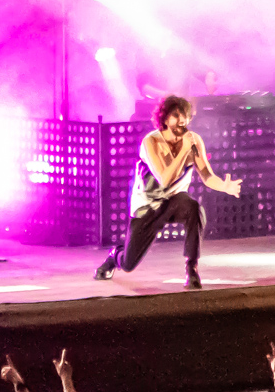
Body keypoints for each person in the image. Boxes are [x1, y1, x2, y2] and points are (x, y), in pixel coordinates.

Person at [95, 94, 243, 289]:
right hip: (148, 206)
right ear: (164, 119)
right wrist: (183, 150)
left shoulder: (194, 140)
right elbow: (165, 179)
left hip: (174, 201)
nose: (182, 120)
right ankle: (115, 256)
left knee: (194, 209)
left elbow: (207, 176)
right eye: (176, 116)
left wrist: (224, 186)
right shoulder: (151, 142)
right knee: (129, 264)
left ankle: (191, 268)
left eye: (185, 116)